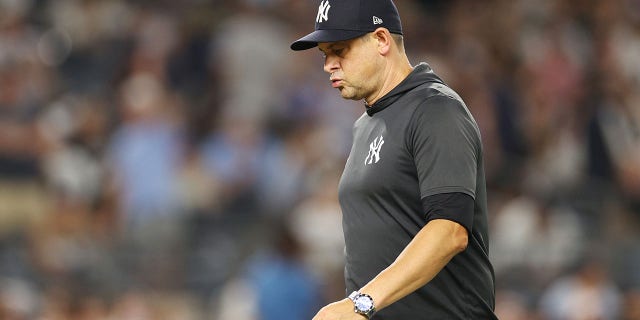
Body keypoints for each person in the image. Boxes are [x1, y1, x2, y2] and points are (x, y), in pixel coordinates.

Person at [290, 0, 497, 319]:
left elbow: (450, 230)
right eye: (325, 54)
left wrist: (360, 304)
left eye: (339, 50)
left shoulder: (435, 109)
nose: (328, 64)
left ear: (382, 40)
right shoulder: (365, 125)